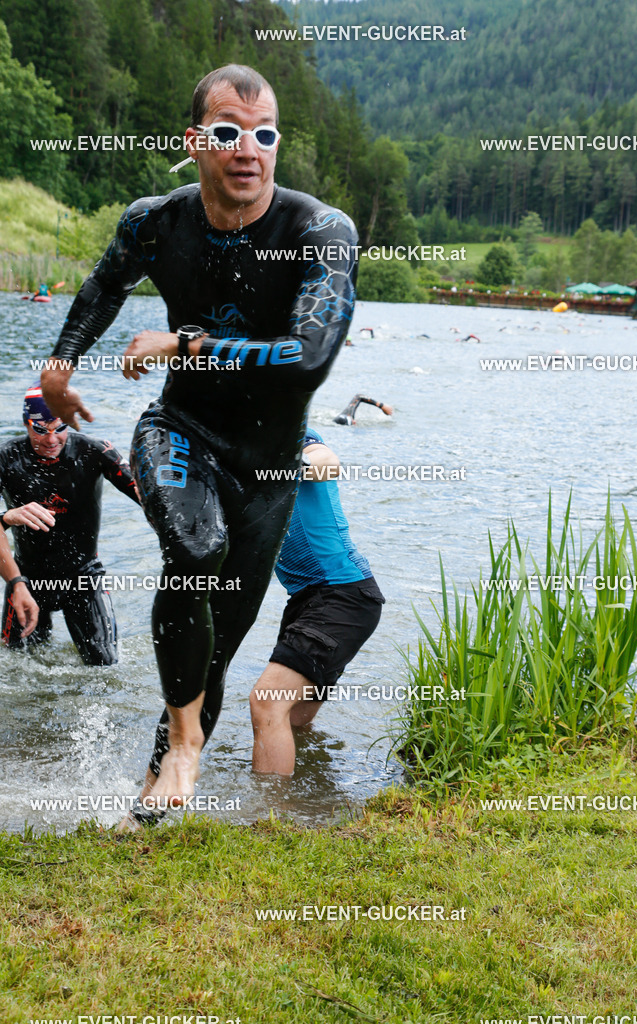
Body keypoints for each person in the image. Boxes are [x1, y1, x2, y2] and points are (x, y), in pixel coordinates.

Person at [39, 64, 359, 824]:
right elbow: (101, 288)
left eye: (264, 133)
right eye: (226, 133)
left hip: (272, 467)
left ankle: (155, 802)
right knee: (191, 548)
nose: (247, 149)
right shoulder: (155, 220)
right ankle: (186, 747)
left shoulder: (321, 232)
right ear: (195, 142)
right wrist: (60, 367)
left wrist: (184, 344)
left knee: (215, 641)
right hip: (179, 430)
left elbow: (307, 357)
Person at [250, 428, 384, 774]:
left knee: (267, 703)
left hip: (342, 594)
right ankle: (309, 793)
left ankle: (269, 816)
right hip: (309, 600)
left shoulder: (294, 436)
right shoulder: (239, 457)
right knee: (293, 717)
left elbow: (328, 461)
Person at [0, 384, 140, 664]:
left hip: (84, 576)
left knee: (105, 666)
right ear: (27, 424)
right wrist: (7, 518)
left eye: (60, 427)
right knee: (13, 665)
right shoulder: (6, 458)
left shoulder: (94, 451)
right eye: (40, 429)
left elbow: (149, 498)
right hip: (28, 579)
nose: (52, 439)